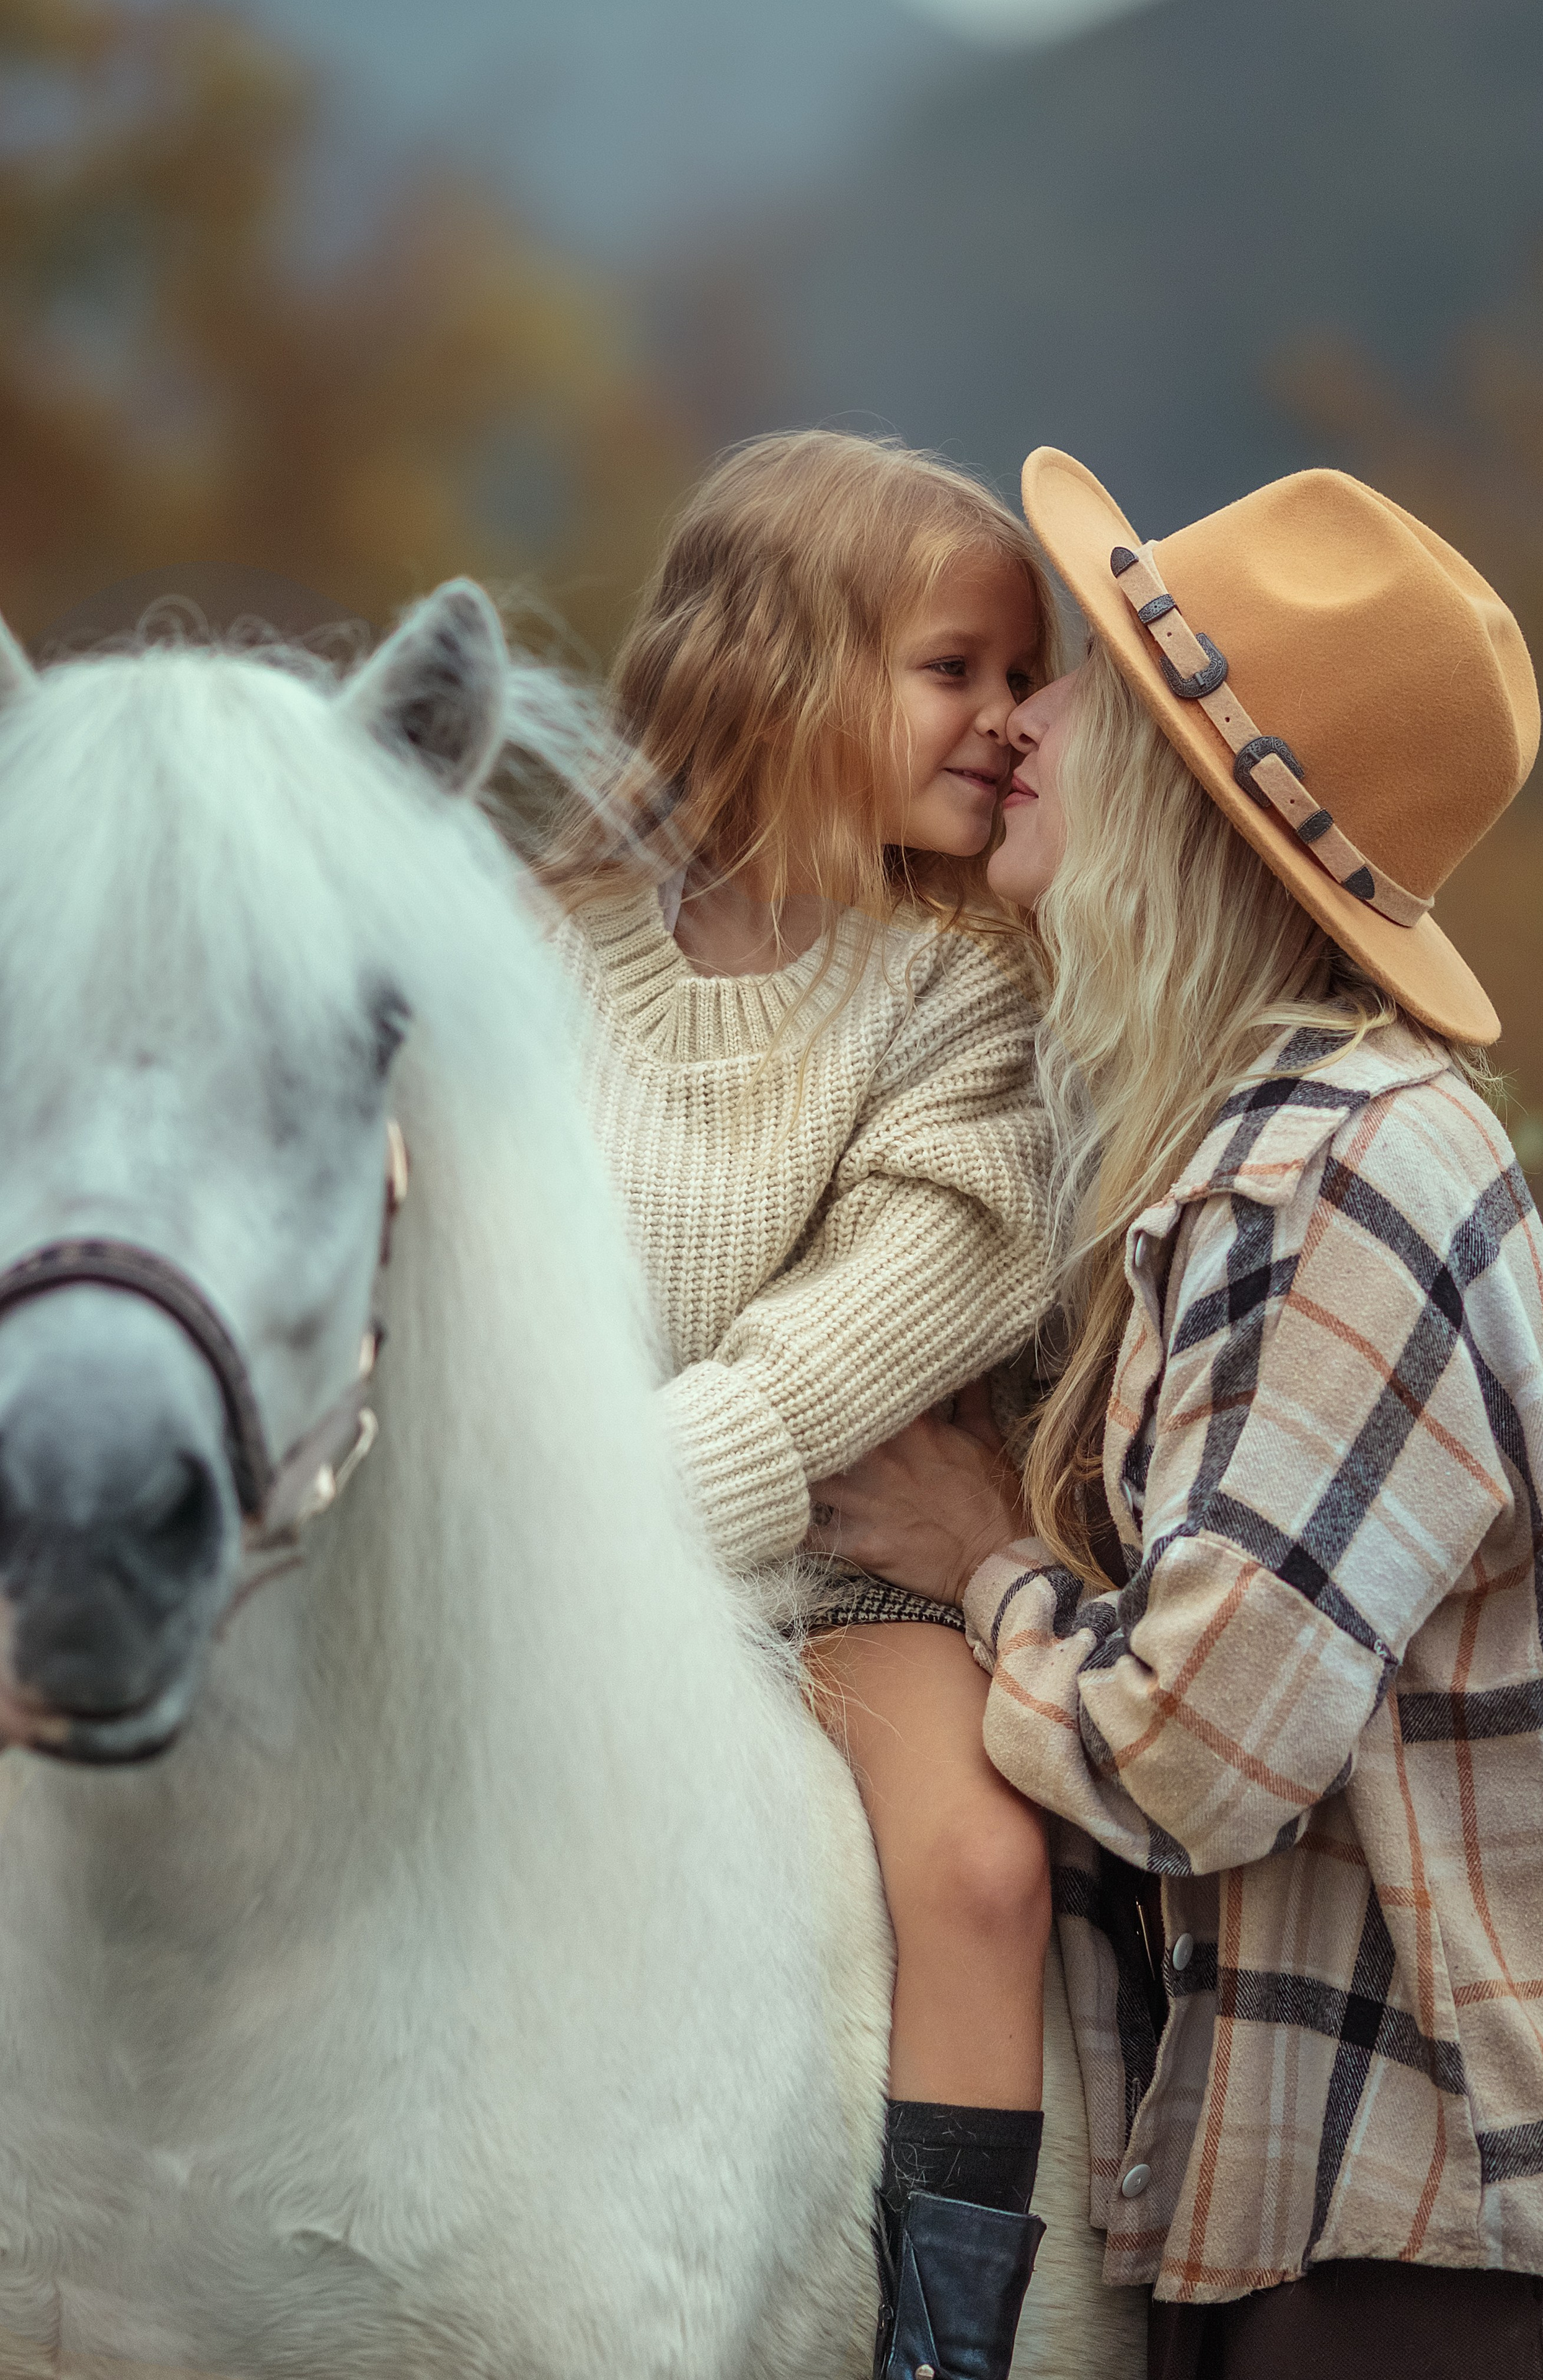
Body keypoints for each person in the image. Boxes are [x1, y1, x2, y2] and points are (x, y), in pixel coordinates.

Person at [809, 450, 1543, 2379]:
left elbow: (1192, 1753)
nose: (1034, 718)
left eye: (1092, 691)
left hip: (1411, 2255)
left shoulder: (1346, 1173)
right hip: (1292, 2212)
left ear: (1178, 790)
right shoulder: (1231, 1147)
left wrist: (977, 1561)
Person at [544, 431, 1063, 2379]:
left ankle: (945, 2336)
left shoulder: (964, 985)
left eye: (1023, 678)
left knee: (978, 1868)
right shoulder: (554, 932)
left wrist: (577, 1525)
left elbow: (861, 1339)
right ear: (780, 669)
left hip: (844, 1577)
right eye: (962, 669)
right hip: (573, 1541)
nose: (1014, 722)